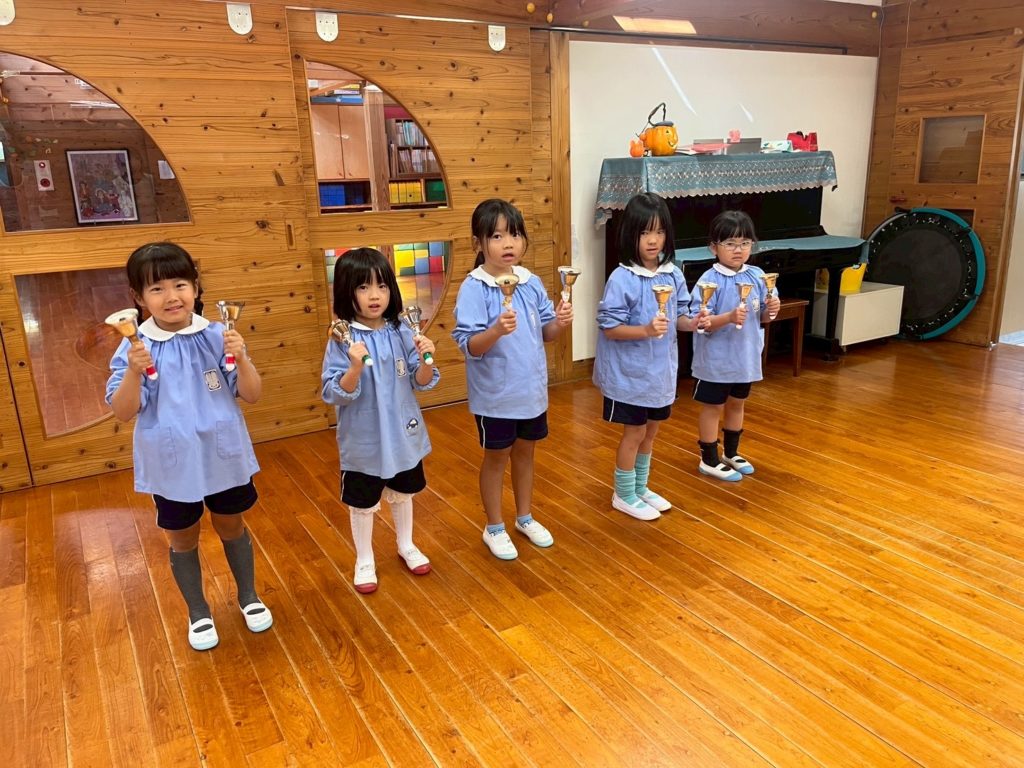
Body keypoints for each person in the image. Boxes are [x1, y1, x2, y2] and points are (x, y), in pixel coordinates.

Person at [106, 242, 271, 652]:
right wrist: (133, 372)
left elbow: (251, 394)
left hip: (222, 454)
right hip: (171, 462)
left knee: (232, 525)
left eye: (180, 284)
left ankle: (249, 596)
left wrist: (242, 358)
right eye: (156, 288)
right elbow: (123, 411)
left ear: (195, 287)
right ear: (138, 298)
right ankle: (198, 611)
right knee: (182, 537)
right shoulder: (135, 346)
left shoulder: (217, 335)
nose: (171, 296)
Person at [452, 199, 573, 560]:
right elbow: (470, 345)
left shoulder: (530, 282)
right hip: (496, 397)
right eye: (497, 236)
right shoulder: (474, 288)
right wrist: (495, 331)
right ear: (478, 243)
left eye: (515, 235)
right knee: (496, 457)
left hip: (530, 392)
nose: (508, 243)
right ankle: (493, 526)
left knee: (525, 454)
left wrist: (560, 322)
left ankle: (524, 517)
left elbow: (546, 333)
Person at [321, 247, 439, 594]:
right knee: (362, 502)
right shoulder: (342, 338)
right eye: (363, 287)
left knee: (404, 492)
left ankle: (406, 544)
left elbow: (421, 380)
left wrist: (427, 359)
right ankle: (364, 558)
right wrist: (354, 367)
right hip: (364, 439)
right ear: (347, 291)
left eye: (382, 286)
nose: (374, 295)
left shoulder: (401, 330)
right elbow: (334, 392)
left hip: (402, 432)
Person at [594, 192, 709, 521]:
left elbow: (681, 317)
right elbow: (610, 328)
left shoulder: (672, 274)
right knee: (634, 433)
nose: (653, 240)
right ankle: (623, 493)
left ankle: (640, 487)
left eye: (659, 232)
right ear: (631, 234)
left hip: (660, 374)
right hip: (629, 376)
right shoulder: (622, 278)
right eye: (645, 232)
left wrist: (694, 323)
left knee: (651, 432)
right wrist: (645, 330)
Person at [688, 210, 780, 481]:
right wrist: (728, 317)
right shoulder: (709, 280)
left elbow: (764, 317)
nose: (738, 249)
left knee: (737, 404)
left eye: (744, 243)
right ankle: (708, 458)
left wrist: (772, 308)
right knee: (712, 407)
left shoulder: (758, 275)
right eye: (730, 243)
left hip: (745, 357)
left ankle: (730, 452)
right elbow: (701, 323)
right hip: (716, 361)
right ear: (713, 247)